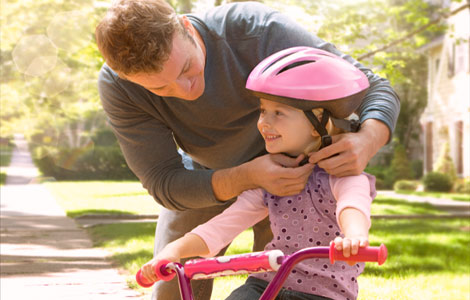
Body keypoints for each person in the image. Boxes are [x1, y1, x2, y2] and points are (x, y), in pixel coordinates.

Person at [95, 1, 399, 299]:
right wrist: (248, 177)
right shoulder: (118, 86)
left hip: (301, 172)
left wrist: (368, 139)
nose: (185, 90)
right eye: (160, 89)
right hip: (207, 177)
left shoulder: (256, 31)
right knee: (172, 283)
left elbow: (373, 88)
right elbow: (163, 181)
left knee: (292, 279)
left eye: (187, 68)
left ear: (186, 27)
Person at [140, 46, 377, 300]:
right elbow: (222, 227)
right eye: (263, 111)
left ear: (318, 122)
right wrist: (174, 250)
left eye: (279, 113)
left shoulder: (343, 175)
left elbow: (353, 206)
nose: (264, 122)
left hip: (324, 293)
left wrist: (354, 237)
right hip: (266, 284)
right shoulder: (273, 179)